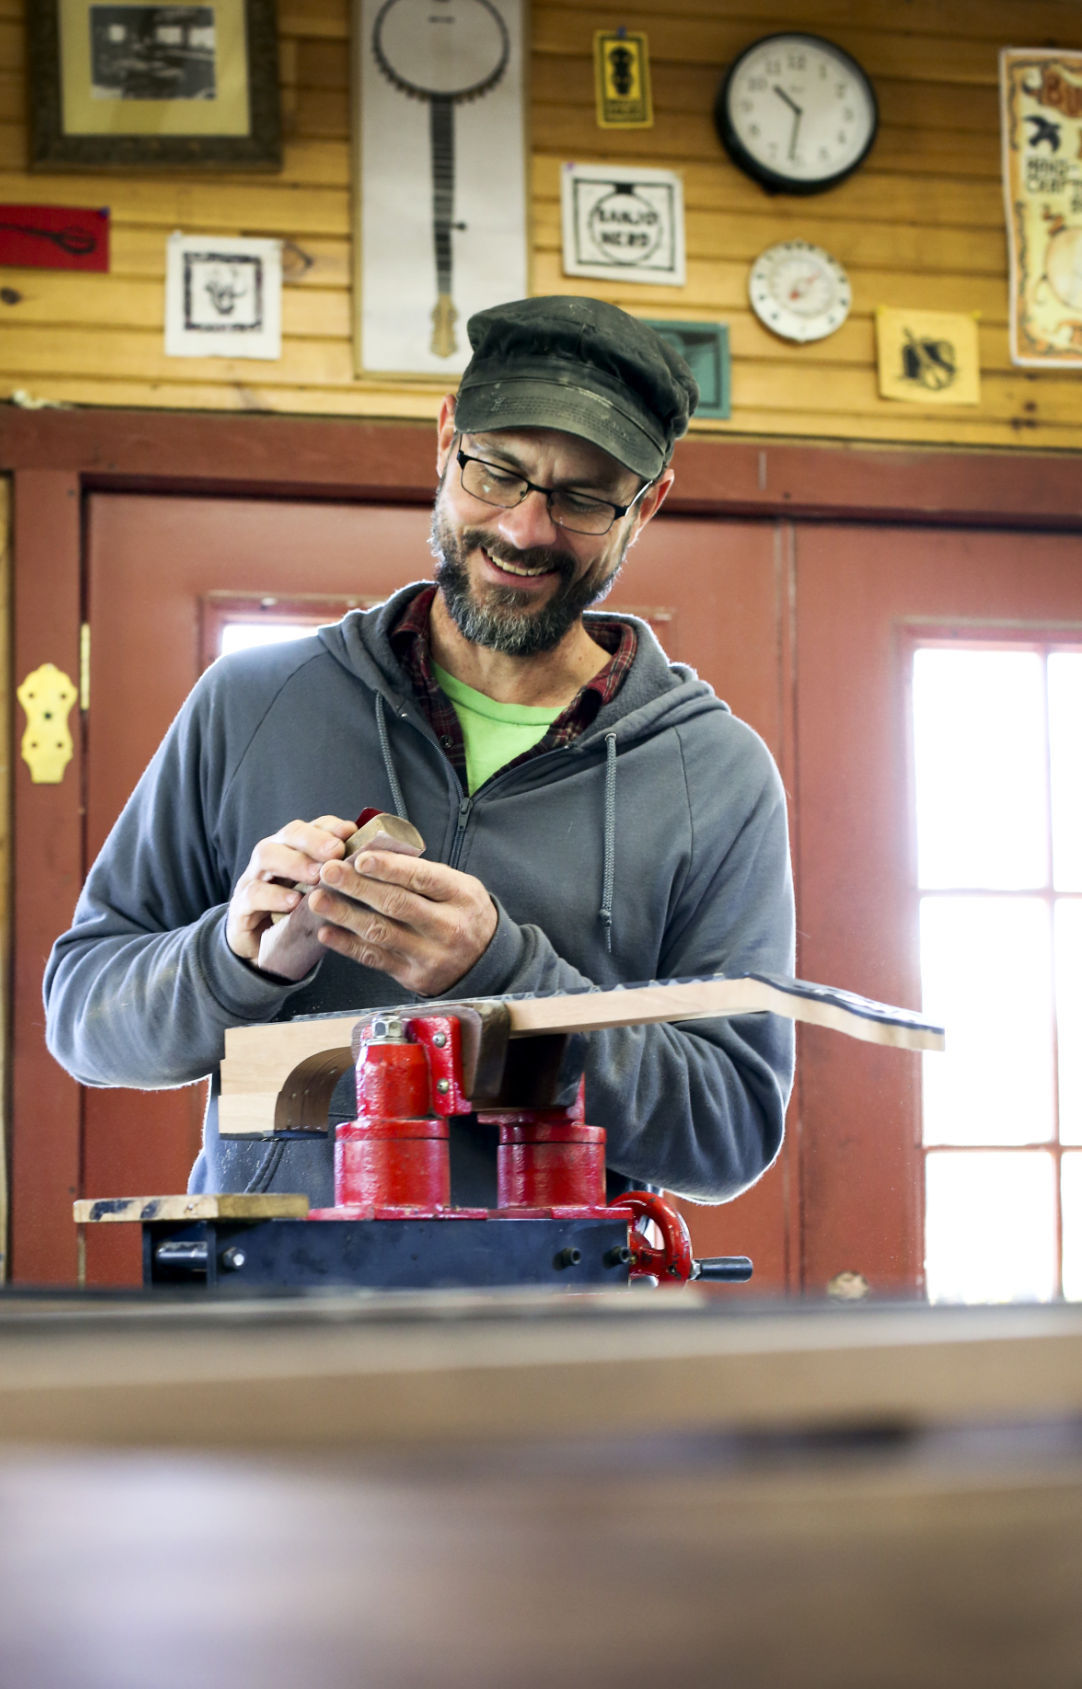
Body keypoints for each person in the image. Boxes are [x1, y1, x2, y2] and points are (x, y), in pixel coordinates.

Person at [44, 295, 795, 1207]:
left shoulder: (715, 774)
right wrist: (232, 959)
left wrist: (500, 982)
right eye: (498, 472)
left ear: (647, 505)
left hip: (554, 1336)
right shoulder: (250, 704)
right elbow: (83, 1018)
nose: (524, 529)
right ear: (446, 440)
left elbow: (730, 1129)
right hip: (262, 1325)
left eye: (584, 497)